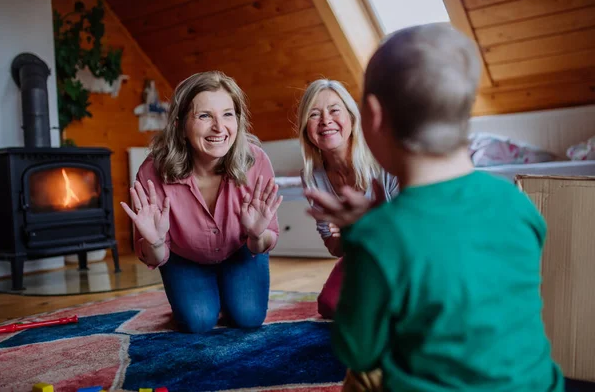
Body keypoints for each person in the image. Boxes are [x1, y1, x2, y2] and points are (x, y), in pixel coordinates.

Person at [305, 23, 564, 391]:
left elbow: (356, 349)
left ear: (373, 117)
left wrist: (363, 240)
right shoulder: (516, 203)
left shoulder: (381, 237)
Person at [120, 71, 282, 334]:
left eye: (228, 114)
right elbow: (155, 256)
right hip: (184, 257)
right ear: (180, 124)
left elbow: (265, 240)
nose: (219, 127)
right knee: (198, 322)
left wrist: (256, 234)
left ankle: (225, 288)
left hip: (240, 251)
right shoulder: (153, 171)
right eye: (205, 116)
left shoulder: (256, 161)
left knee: (249, 318)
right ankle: (205, 294)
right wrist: (156, 242)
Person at [296, 79, 398, 319]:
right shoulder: (312, 176)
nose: (325, 121)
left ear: (352, 118)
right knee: (329, 305)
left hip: (405, 254)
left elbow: (411, 231)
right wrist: (351, 235)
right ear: (306, 129)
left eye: (334, 110)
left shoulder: (384, 158)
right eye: (314, 114)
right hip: (362, 255)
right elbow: (333, 246)